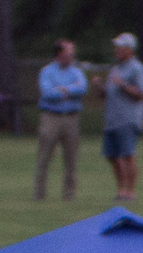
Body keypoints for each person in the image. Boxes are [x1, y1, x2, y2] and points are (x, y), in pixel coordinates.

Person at [34, 39, 88, 201]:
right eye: (68, 52)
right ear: (59, 54)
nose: (72, 55)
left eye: (73, 52)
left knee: (71, 158)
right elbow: (48, 93)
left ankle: (69, 195)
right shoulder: (47, 72)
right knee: (44, 157)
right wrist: (70, 90)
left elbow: (83, 88)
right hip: (51, 117)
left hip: (71, 118)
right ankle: (39, 194)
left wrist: (65, 89)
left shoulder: (77, 72)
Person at [101, 32, 143, 202]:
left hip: (128, 118)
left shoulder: (137, 68)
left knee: (128, 154)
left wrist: (123, 85)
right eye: (116, 47)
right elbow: (109, 92)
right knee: (112, 155)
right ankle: (120, 189)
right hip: (112, 119)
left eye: (120, 47)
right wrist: (101, 87)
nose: (116, 50)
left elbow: (141, 94)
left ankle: (131, 191)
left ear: (129, 49)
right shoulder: (116, 68)